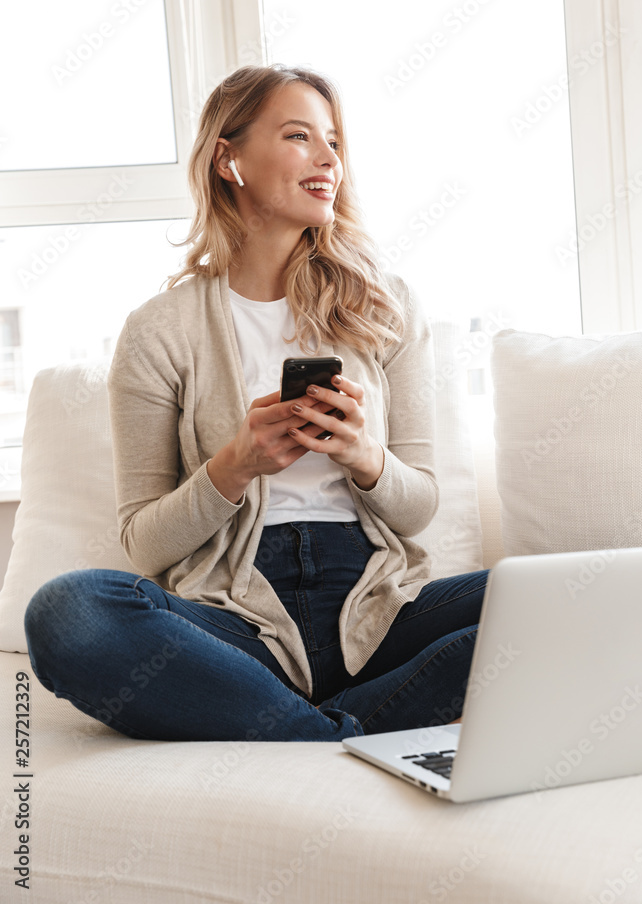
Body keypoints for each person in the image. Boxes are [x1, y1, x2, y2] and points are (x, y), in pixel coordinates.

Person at [24, 64, 488, 742]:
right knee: (69, 611)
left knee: (575, 596)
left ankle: (302, 730)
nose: (328, 158)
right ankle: (336, 731)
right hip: (235, 619)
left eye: (333, 141)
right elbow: (144, 543)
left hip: (380, 609)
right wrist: (234, 466)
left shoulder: (382, 305)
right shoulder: (160, 328)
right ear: (228, 158)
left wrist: (365, 456)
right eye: (300, 136)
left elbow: (416, 509)